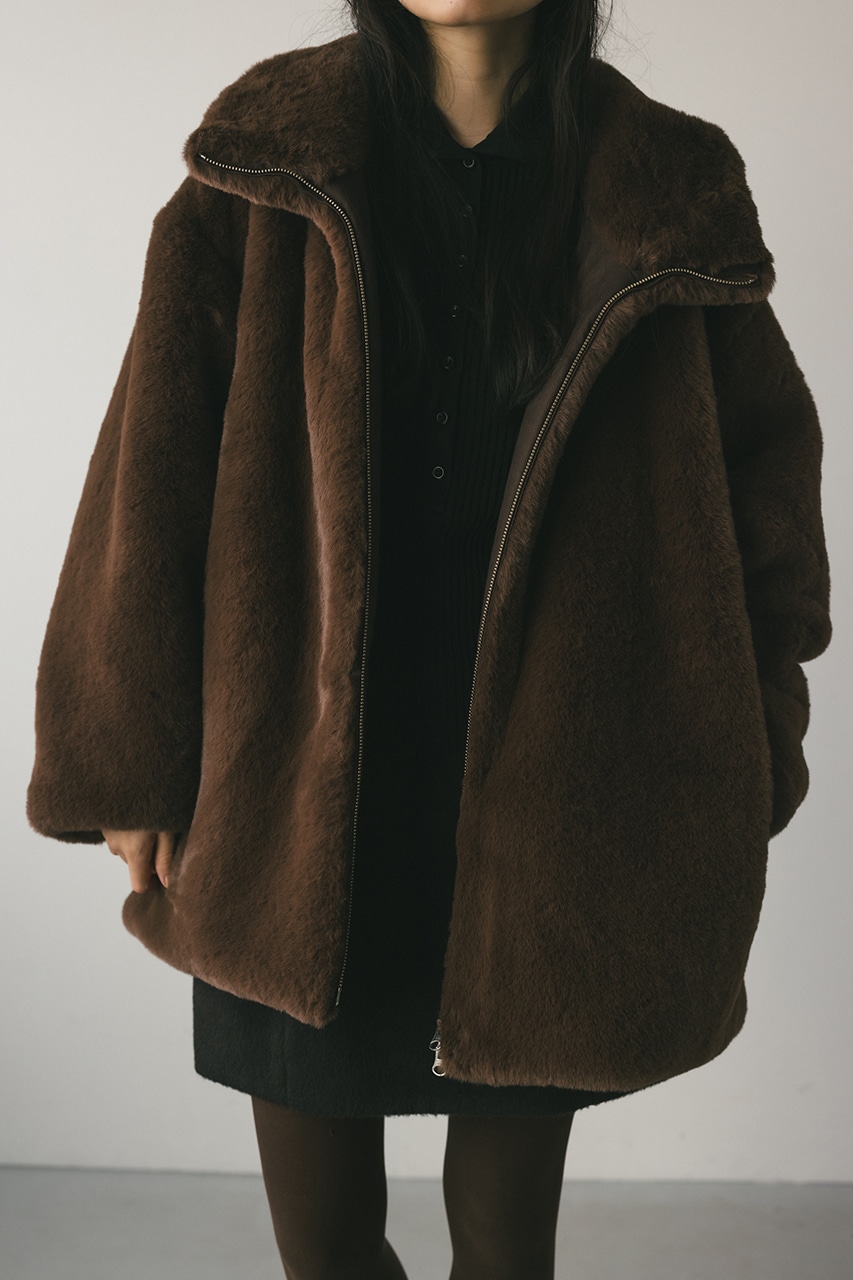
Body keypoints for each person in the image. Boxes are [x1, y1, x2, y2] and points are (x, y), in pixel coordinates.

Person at [26, 0, 832, 1275]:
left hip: (555, 815)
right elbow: (149, 472)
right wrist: (126, 758)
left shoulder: (668, 189)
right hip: (289, 796)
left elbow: (767, 508)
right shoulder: (264, 162)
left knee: (506, 1249)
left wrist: (753, 749)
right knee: (326, 1248)